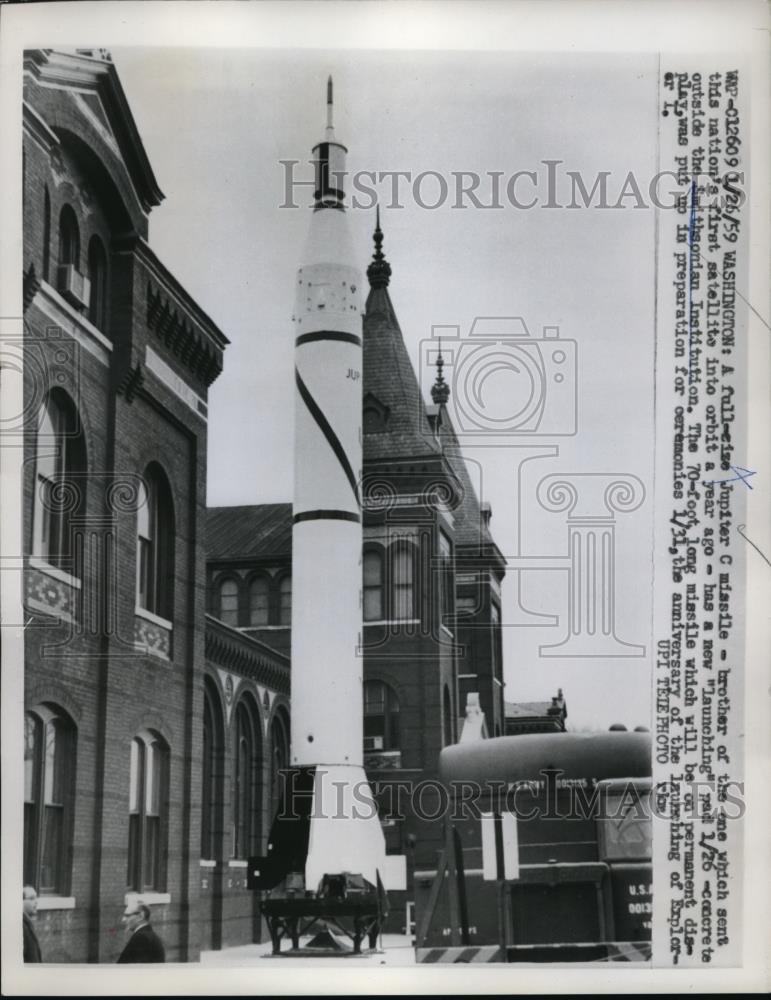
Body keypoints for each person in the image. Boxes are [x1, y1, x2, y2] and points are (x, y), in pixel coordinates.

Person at [23, 886, 42, 963]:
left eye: (36, 898)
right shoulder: (21, 927)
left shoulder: (27, 923)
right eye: (31, 898)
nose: (36, 902)